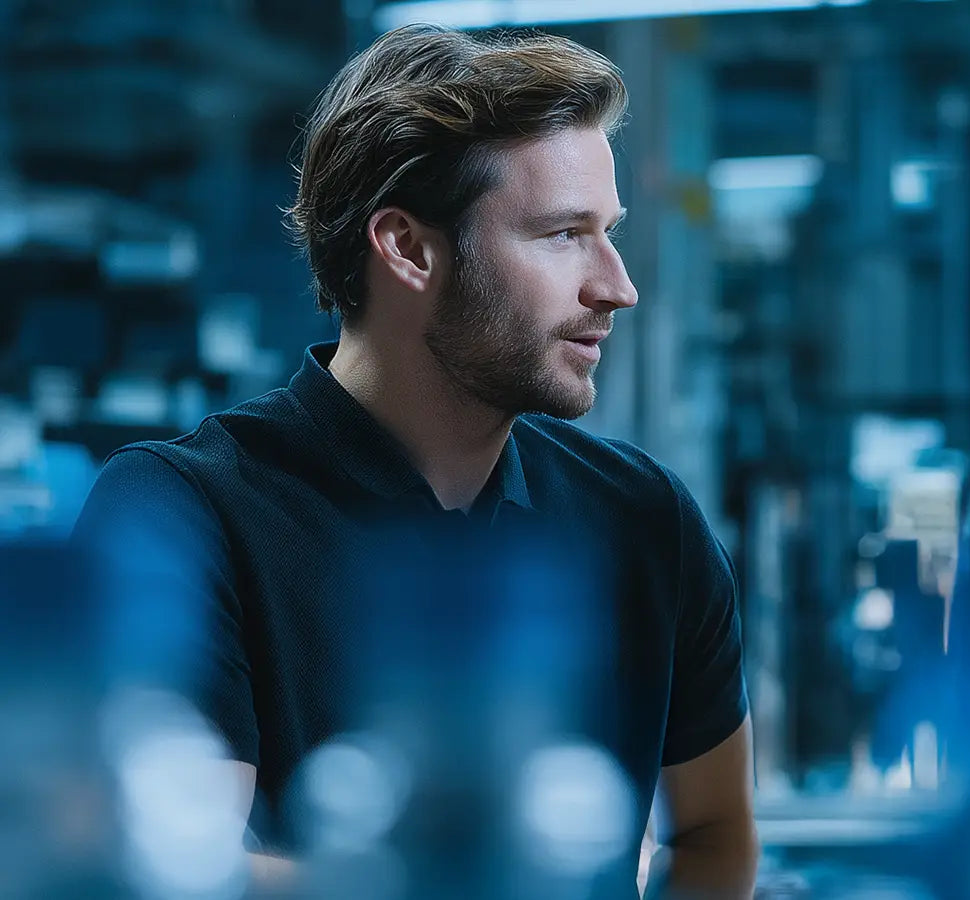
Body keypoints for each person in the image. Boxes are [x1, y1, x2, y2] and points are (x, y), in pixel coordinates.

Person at [72, 25, 755, 896]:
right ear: (407, 248)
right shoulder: (181, 514)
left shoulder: (645, 519)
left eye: (608, 232)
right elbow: (177, 872)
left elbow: (711, 830)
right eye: (561, 235)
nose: (615, 284)